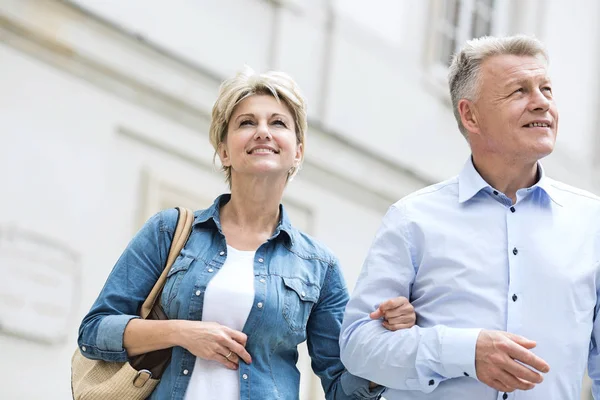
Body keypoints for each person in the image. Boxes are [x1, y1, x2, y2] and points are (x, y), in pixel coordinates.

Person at [77, 67, 415, 399]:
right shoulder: (168, 231)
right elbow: (94, 331)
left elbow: (343, 390)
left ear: (297, 151)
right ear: (224, 150)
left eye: (278, 123)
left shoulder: (318, 266)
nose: (263, 132)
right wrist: (182, 332)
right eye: (247, 122)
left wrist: (382, 341)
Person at [339, 34, 600, 400]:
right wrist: (465, 352)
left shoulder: (592, 223)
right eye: (519, 91)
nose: (541, 103)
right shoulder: (413, 219)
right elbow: (358, 345)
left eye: (546, 89)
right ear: (470, 114)